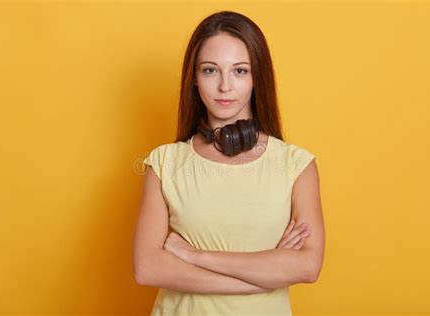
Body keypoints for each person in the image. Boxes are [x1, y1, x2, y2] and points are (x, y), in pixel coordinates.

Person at [133, 10, 325, 316]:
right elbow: (148, 268)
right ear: (194, 79)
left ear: (256, 78)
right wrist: (262, 276)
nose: (225, 86)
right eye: (210, 70)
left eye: (239, 71)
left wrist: (195, 256)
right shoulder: (164, 163)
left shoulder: (296, 165)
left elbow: (307, 266)